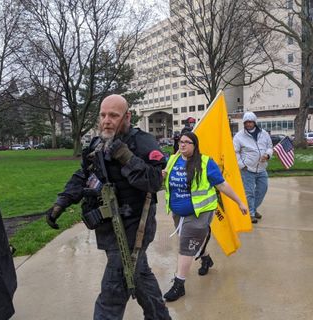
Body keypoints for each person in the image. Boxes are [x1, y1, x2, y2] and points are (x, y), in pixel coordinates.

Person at [45, 94, 171, 320]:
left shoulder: (143, 143)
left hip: (135, 229)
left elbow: (154, 181)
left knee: (113, 290)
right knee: (139, 275)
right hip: (108, 226)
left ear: (127, 117)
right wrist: (61, 202)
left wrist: (125, 156)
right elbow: (83, 175)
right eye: (103, 115)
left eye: (113, 115)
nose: (106, 120)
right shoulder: (96, 144)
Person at [162, 132, 248, 302]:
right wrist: (163, 175)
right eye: (181, 142)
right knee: (191, 242)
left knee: (185, 247)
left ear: (195, 145)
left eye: (187, 142)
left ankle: (179, 285)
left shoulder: (205, 162)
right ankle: (206, 259)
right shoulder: (172, 160)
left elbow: (222, 184)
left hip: (199, 213)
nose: (183, 145)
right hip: (178, 213)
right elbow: (165, 182)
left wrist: (240, 202)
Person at [233, 112, 273, 224]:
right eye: (246, 122)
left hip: (262, 168)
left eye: (250, 122)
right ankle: (249, 214)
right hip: (247, 169)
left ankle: (253, 209)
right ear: (244, 123)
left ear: (255, 122)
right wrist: (242, 165)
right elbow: (234, 152)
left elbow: (270, 147)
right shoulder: (239, 136)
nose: (248, 124)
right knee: (249, 192)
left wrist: (268, 155)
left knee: (262, 189)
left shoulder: (264, 134)